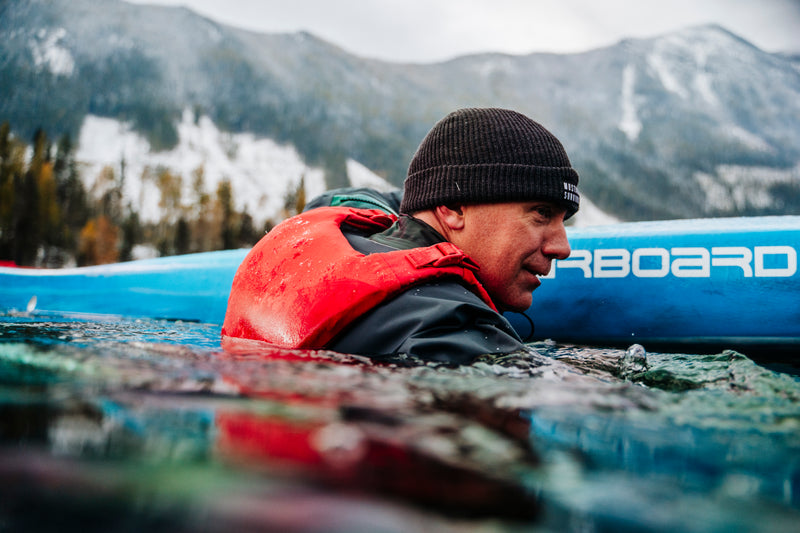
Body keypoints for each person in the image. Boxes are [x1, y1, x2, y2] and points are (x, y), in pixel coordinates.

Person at [222, 108, 580, 365]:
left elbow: (344, 199)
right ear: (454, 208)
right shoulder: (451, 330)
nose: (561, 247)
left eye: (564, 220)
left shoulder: (347, 234)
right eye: (541, 214)